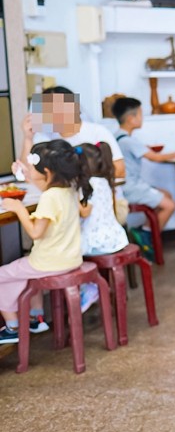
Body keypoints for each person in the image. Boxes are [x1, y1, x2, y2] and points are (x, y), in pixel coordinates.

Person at [0, 140, 92, 343]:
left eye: (33, 167)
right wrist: (25, 174)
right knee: (20, 268)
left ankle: (12, 327)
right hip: (71, 259)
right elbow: (46, 187)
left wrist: (18, 209)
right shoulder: (68, 189)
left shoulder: (49, 198)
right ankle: (37, 317)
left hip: (49, 263)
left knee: (3, 274)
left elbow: (35, 233)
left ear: (47, 172)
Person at [111, 96, 175, 230]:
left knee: (166, 194)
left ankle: (146, 229)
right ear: (130, 119)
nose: (142, 118)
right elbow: (155, 158)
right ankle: (147, 237)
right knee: (170, 205)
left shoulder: (117, 136)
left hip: (124, 186)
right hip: (131, 187)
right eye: (140, 114)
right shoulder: (128, 141)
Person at [21, 86, 124, 179]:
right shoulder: (47, 138)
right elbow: (27, 173)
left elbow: (120, 170)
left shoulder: (97, 132)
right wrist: (28, 137)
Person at [77, 143, 129, 314]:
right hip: (115, 237)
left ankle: (88, 287)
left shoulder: (86, 185)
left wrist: (72, 201)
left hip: (97, 242)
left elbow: (85, 212)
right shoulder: (103, 181)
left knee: (68, 250)